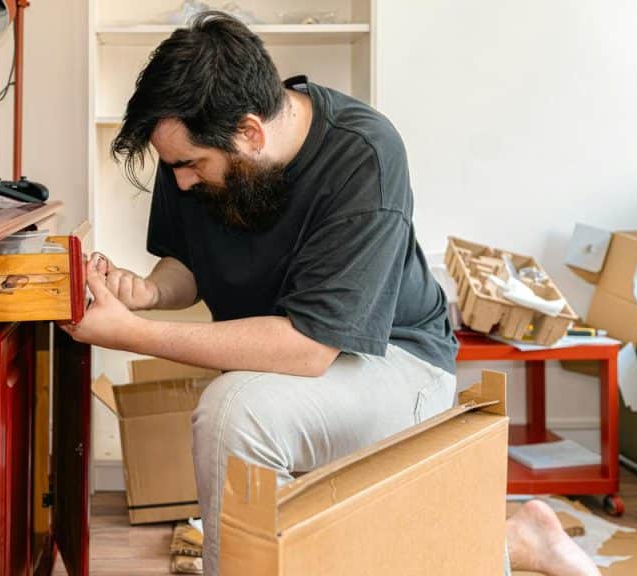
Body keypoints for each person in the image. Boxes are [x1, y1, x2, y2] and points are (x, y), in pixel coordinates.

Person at [61, 11, 600, 576]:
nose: (181, 182)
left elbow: (306, 349)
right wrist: (146, 292)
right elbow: (189, 263)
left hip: (396, 359)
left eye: (192, 165)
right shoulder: (193, 156)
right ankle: (513, 539)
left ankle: (510, 539)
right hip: (286, 364)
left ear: (250, 132)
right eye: (172, 166)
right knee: (308, 518)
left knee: (234, 414)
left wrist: (133, 334)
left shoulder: (363, 153)